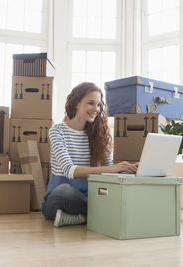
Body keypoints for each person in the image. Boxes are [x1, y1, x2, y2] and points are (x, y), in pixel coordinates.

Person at [42, 82, 138, 227]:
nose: (96, 109)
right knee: (64, 192)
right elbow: (69, 170)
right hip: (60, 199)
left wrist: (128, 169)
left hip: (89, 197)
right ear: (76, 103)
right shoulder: (57, 131)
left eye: (99, 105)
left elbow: (110, 169)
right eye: (91, 103)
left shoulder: (97, 135)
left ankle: (82, 218)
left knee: (110, 193)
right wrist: (111, 169)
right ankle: (100, 213)